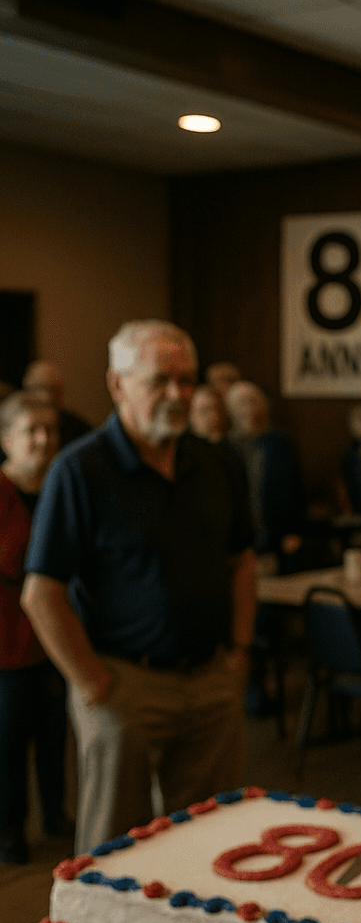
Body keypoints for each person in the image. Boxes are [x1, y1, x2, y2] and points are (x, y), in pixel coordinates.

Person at [20, 320, 256, 856]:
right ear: (117, 384)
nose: (177, 395)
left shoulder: (218, 463)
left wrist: (239, 654)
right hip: (124, 683)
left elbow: (242, 562)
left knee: (213, 842)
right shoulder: (79, 471)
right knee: (114, 851)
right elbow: (41, 594)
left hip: (212, 680)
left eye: (187, 380)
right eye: (160, 381)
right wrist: (95, 685)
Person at [0, 391, 69, 863]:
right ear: (6, 438)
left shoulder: (62, 487)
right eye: (31, 430)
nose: (42, 440)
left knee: (54, 733)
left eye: (50, 430)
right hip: (7, 641)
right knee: (7, 743)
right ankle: (8, 828)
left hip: (58, 639)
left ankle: (55, 813)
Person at [226, 380, 306, 575]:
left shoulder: (280, 444)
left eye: (253, 402)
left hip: (273, 540)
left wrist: (294, 531)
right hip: (235, 543)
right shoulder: (226, 447)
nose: (248, 409)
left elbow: (296, 489)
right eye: (241, 404)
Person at [22, 360, 93, 450]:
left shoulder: (78, 428)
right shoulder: (12, 424)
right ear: (27, 390)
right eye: (42, 388)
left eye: (56, 389)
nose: (49, 396)